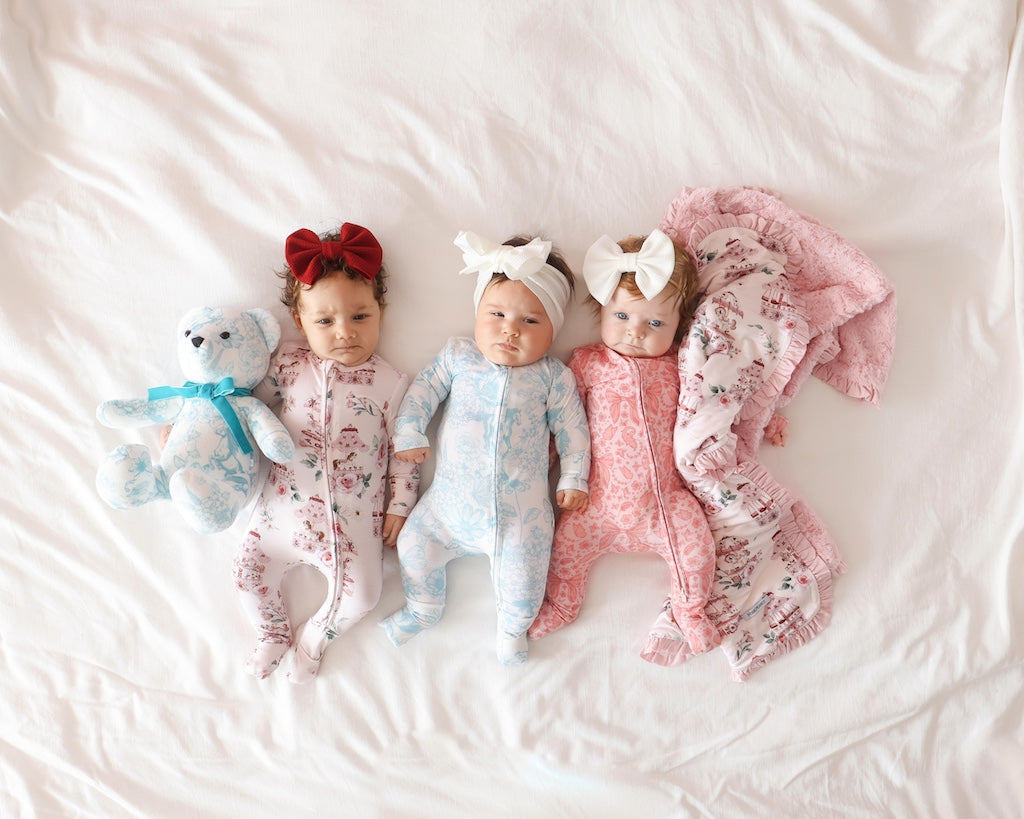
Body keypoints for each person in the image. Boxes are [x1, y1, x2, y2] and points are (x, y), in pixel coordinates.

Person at [379, 231, 590, 665]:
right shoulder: (459, 357)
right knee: (414, 544)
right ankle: (424, 608)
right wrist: (410, 433)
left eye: (531, 321)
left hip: (521, 515)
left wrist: (574, 475)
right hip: (446, 509)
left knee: (526, 576)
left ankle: (512, 631)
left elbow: (573, 428)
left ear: (553, 332)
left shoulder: (553, 377)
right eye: (497, 314)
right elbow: (422, 393)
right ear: (477, 314)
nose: (510, 329)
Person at [233, 222, 419, 683]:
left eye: (360, 317)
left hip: (353, 532)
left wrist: (400, 504)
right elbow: (246, 408)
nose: (344, 333)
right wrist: (200, 433)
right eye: (325, 321)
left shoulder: (392, 383)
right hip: (277, 518)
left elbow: (407, 451)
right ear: (300, 323)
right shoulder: (288, 364)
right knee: (245, 572)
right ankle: (272, 632)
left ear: (381, 311)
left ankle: (314, 639)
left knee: (365, 596)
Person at [527, 230, 720, 656]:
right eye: (621, 317)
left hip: (665, 505)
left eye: (655, 324)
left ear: (679, 326)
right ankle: (561, 604)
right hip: (594, 504)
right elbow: (561, 420)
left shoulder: (681, 368)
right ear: (601, 309)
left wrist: (765, 421)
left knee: (698, 549)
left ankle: (690, 609)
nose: (635, 333)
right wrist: (539, 466)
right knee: (563, 554)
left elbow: (717, 407)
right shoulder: (586, 363)